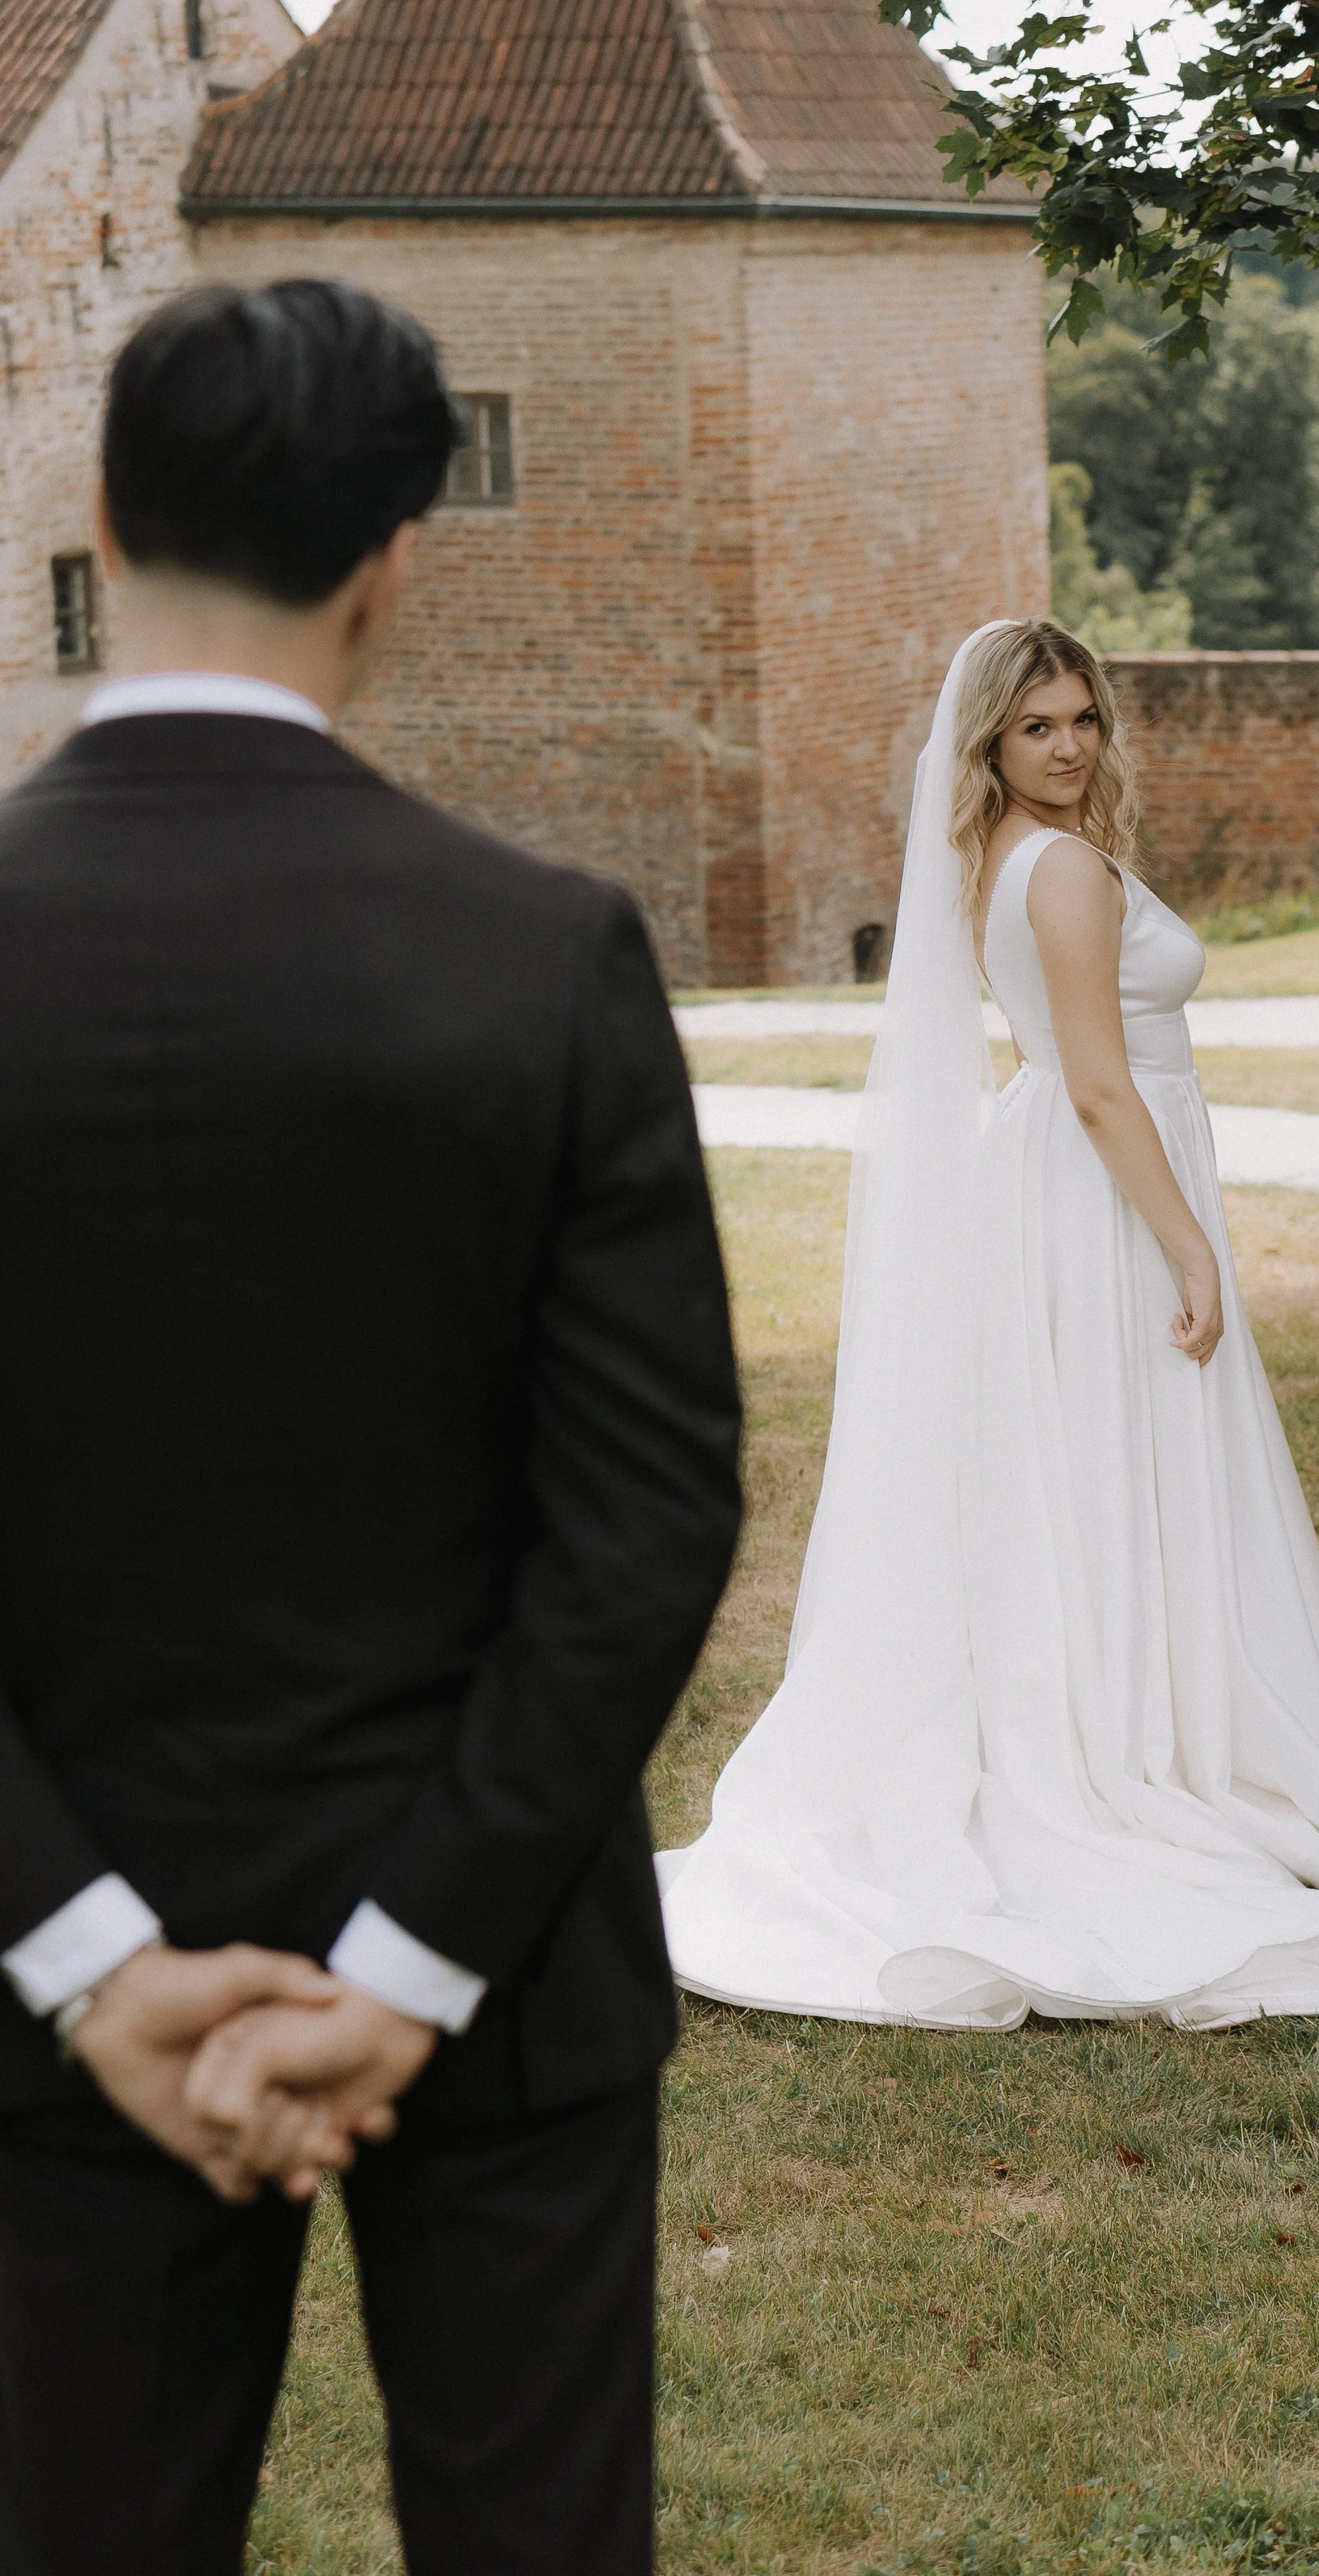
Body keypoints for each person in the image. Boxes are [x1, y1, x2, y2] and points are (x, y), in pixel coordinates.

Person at [0, 281, 743, 2576]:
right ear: (399, 552)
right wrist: (416, 1964)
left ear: (105, 520)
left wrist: (91, 1960)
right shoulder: (540, 953)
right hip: (498, 1976)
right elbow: (643, 1526)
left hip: (38, 1998)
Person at [658, 619, 1319, 2029]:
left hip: (1055, 1179)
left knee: (1085, 1466)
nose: (1069, 744)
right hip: (1094, 1194)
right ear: (989, 747)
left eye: (1082, 717)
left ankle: (1121, 1717)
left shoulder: (1000, 861)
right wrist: (1187, 1241)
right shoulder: (1065, 869)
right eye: (1036, 728)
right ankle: (1118, 1757)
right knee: (1107, 1455)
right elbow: (1094, 1084)